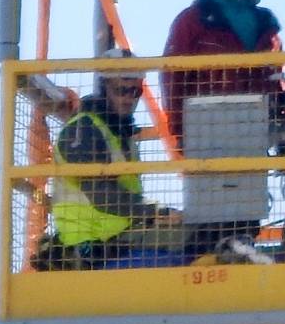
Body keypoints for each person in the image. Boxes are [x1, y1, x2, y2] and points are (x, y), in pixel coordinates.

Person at [163, 0, 284, 264]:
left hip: (250, 130)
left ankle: (238, 248)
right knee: (209, 210)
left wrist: (282, 119)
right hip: (208, 131)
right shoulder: (193, 22)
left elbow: (274, 76)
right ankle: (201, 260)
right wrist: (181, 135)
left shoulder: (263, 24)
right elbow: (174, 79)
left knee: (245, 207)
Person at [48, 70, 185, 269]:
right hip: (92, 244)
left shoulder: (121, 136)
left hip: (122, 237)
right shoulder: (82, 130)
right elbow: (101, 193)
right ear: (104, 90)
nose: (129, 98)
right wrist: (156, 212)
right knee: (193, 235)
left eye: (135, 92)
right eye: (121, 90)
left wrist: (154, 215)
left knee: (192, 234)